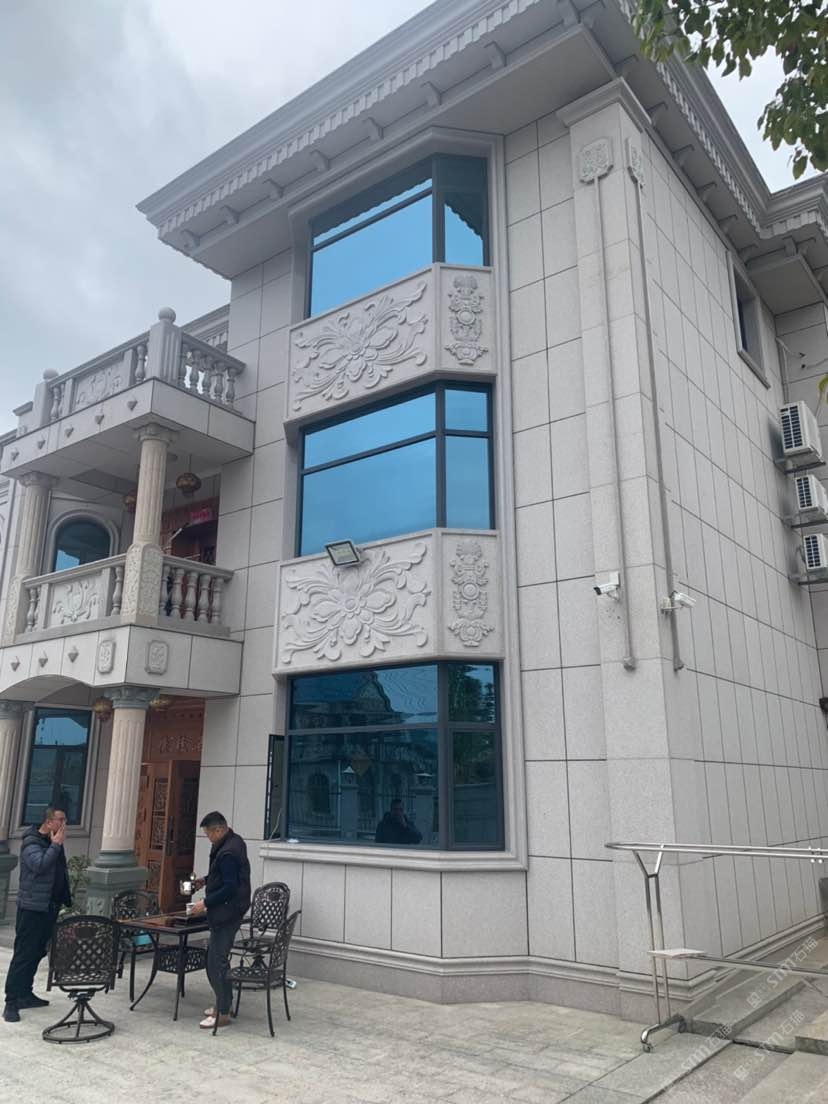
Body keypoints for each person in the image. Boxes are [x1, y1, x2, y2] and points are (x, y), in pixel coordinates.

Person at [3, 806, 71, 1023]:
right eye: (60, 820)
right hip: (32, 908)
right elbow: (40, 865)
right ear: (48, 822)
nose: (64, 824)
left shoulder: (52, 842)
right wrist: (56, 845)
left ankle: (25, 993)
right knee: (24, 953)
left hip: (48, 907)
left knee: (38, 951)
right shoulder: (32, 842)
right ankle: (11, 1001)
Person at [188, 811, 251, 1030]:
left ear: (219, 829)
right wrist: (205, 881)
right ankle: (224, 1004)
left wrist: (204, 903)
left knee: (216, 962)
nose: (208, 838)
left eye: (209, 834)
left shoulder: (228, 852)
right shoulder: (233, 842)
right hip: (230, 910)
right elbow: (224, 876)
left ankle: (223, 1013)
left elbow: (229, 887)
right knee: (217, 960)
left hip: (227, 912)